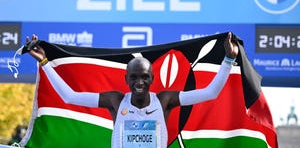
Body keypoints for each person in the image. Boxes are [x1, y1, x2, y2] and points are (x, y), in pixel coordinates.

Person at [26, 32, 238, 148]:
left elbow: (211, 92)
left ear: (152, 79)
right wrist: (45, 62)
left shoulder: (164, 100)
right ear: (126, 79)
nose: (139, 82)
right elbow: (69, 96)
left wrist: (228, 59)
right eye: (134, 77)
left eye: (145, 77)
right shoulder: (115, 101)